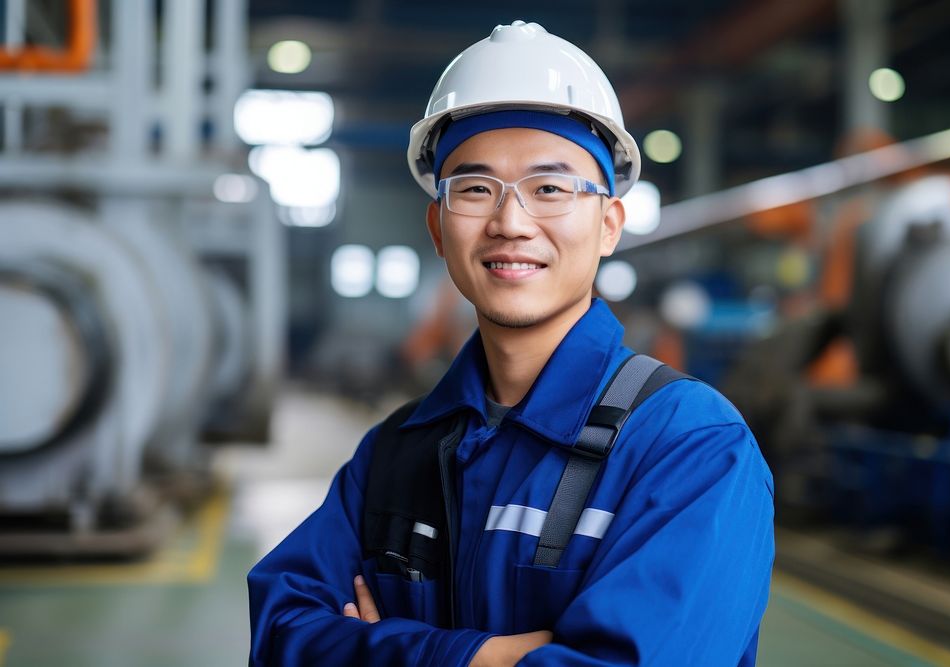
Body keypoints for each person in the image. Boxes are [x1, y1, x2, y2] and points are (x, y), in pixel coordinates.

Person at [248, 20, 774, 666]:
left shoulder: (688, 447)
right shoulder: (394, 453)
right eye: (475, 188)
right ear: (439, 227)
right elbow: (279, 633)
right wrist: (486, 657)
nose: (510, 222)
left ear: (609, 224)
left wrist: (374, 648)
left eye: (549, 188)